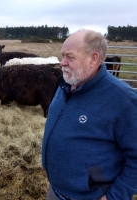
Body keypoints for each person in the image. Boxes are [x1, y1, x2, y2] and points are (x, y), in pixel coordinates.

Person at [41, 29, 137, 200]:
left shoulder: (123, 100)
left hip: (89, 196)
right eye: (62, 55)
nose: (62, 63)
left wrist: (116, 196)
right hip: (55, 189)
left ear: (93, 59)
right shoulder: (66, 84)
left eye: (70, 57)